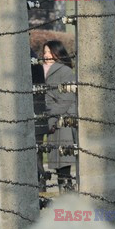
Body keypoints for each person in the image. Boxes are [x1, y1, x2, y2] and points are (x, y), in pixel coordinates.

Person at [0, 50, 49, 191]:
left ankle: (40, 196)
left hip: (32, 119)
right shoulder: (25, 55)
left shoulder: (26, 57)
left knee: (33, 161)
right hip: (28, 118)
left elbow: (19, 84)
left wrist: (0, 71)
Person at [42, 40, 77, 193]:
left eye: (49, 52)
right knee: (57, 162)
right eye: (44, 52)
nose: (46, 55)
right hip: (52, 120)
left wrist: (52, 117)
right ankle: (65, 193)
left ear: (58, 53)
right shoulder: (42, 70)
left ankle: (67, 194)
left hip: (63, 121)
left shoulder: (65, 71)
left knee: (63, 162)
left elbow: (67, 99)